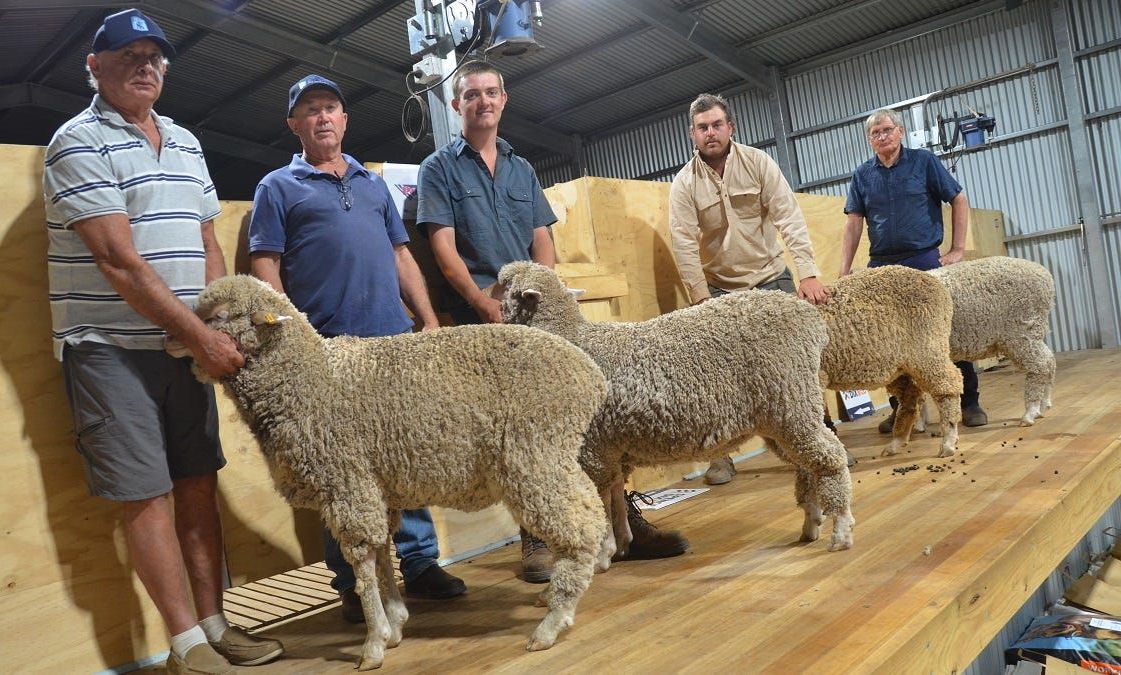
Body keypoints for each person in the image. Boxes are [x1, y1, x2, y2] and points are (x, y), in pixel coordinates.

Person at [43, 9, 283, 675]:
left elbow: (207, 241)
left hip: (185, 346)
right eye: (127, 54)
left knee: (198, 484)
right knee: (147, 492)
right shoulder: (76, 141)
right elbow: (117, 259)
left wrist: (221, 324)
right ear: (93, 66)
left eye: (155, 56)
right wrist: (201, 335)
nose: (145, 65)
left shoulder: (182, 139)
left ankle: (214, 624)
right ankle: (185, 647)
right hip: (111, 348)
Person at [416, 60, 686, 582]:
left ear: (504, 99)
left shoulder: (522, 168)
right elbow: (443, 249)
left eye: (492, 92)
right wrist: (481, 303)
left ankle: (618, 519)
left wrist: (551, 295)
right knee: (524, 432)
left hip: (539, 316)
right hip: (485, 323)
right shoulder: (439, 169)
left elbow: (543, 239)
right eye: (472, 95)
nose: (483, 102)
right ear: (456, 106)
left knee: (591, 419)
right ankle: (536, 535)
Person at [247, 74, 466, 624]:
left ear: (345, 119)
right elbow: (265, 267)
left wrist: (429, 318)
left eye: (331, 108)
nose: (322, 117)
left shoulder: (372, 185)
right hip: (328, 353)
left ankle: (418, 562)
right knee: (337, 468)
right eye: (311, 110)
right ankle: (353, 579)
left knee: (405, 451)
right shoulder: (277, 187)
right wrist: (292, 339)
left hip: (392, 343)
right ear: (294, 124)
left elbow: (402, 256)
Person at [669, 93, 832, 487]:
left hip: (769, 276)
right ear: (692, 134)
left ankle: (819, 436)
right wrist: (701, 301)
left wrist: (807, 273)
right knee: (713, 376)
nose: (711, 133)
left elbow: (788, 217)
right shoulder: (683, 184)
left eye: (717, 125)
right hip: (718, 288)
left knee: (796, 364)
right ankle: (719, 454)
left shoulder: (759, 163)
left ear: (731, 126)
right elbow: (683, 242)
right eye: (703, 127)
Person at [838, 108, 987, 430]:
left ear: (900, 131)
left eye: (887, 130)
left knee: (948, 332)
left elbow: (958, 199)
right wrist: (845, 269)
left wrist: (957, 249)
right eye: (875, 133)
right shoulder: (863, 175)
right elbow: (853, 223)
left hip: (924, 261)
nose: (882, 136)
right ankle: (903, 411)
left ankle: (969, 402)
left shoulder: (924, 162)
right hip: (883, 267)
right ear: (869, 139)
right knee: (891, 343)